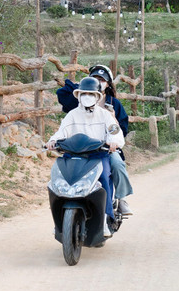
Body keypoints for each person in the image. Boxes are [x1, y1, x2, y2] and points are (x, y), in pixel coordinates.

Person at [47, 76, 125, 237]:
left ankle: (105, 219)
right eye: (84, 94)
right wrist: (53, 140)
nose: (87, 96)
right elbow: (62, 131)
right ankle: (59, 221)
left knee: (104, 178)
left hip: (98, 156)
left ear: (97, 97)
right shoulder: (72, 115)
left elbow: (115, 132)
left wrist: (114, 142)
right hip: (74, 156)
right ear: (79, 96)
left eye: (91, 94)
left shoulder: (105, 115)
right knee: (59, 178)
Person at [57, 64, 134, 216]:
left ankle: (121, 199)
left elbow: (121, 129)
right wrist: (82, 87)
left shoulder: (113, 104)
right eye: (95, 79)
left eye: (102, 80)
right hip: (79, 147)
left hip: (104, 147)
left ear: (108, 84)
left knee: (117, 164)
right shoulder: (79, 101)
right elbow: (62, 94)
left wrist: (113, 138)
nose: (99, 82)